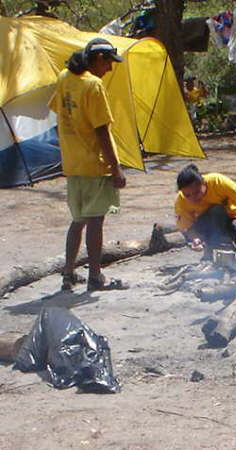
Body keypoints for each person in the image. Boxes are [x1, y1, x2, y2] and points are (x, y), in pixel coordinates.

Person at [48, 38, 128, 292]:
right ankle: (95, 276)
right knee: (95, 221)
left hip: (73, 164)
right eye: (108, 63)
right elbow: (101, 130)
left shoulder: (64, 77)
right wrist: (115, 167)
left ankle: (68, 274)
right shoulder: (93, 85)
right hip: (95, 164)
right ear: (98, 59)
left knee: (78, 220)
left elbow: (58, 110)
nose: (110, 69)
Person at [174, 164, 236, 254]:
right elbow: (187, 227)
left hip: (234, 216)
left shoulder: (218, 181)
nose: (193, 198)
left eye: (196, 192)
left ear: (203, 183)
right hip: (208, 225)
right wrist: (195, 239)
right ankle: (212, 249)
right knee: (215, 212)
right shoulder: (181, 201)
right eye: (187, 195)